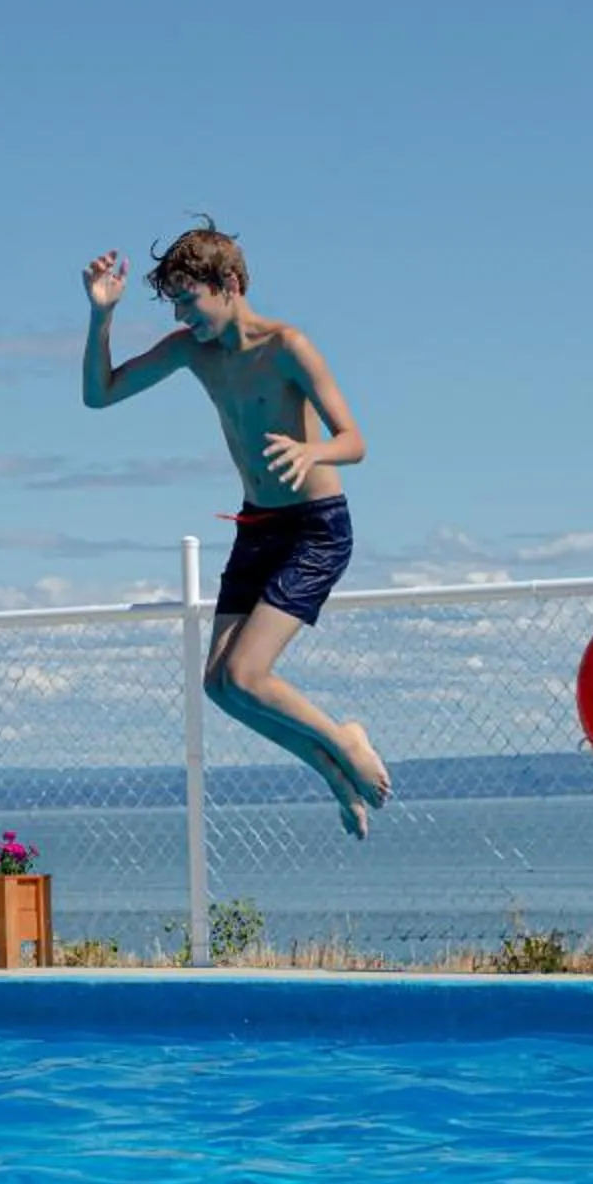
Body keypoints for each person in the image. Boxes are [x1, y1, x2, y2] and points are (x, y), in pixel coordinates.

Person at [81, 219, 389, 837]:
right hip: (256, 525)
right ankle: (330, 768)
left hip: (315, 529)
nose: (183, 317)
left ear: (229, 283)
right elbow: (100, 394)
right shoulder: (193, 351)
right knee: (220, 687)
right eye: (173, 305)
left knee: (245, 674)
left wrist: (313, 455)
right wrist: (101, 318)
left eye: (189, 301)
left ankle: (342, 740)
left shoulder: (287, 346)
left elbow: (354, 441)